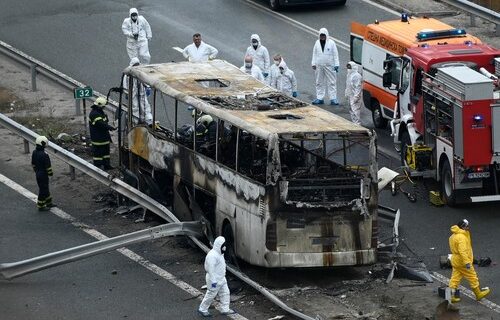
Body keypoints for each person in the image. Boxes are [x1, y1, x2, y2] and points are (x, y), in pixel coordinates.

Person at [448, 219, 490, 303]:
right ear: (462, 227)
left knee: (455, 278)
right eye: (467, 226)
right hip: (462, 261)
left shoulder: (453, 236)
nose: (468, 227)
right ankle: (478, 294)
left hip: (455, 260)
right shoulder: (461, 237)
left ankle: (450, 296)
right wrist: (467, 262)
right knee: (472, 276)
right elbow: (462, 251)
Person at [198, 236, 235, 317]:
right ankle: (202, 308)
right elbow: (210, 270)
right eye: (223, 245)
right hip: (214, 280)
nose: (225, 247)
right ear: (219, 245)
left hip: (221, 278)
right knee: (211, 294)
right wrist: (213, 281)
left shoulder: (220, 254)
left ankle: (225, 309)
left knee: (225, 293)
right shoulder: (212, 255)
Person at [311, 27, 340, 106]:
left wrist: (336, 64)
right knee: (319, 82)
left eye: (323, 35)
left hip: (329, 66)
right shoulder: (317, 43)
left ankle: (333, 98)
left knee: (331, 82)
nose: (322, 37)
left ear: (326, 35)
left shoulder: (331, 43)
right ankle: (320, 98)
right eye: (321, 35)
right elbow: (314, 53)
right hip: (319, 66)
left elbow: (335, 54)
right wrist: (313, 63)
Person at [89, 97, 116, 170]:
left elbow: (105, 121)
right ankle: (98, 167)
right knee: (98, 154)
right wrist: (110, 127)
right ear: (99, 105)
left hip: (104, 137)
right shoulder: (94, 114)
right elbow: (101, 124)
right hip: (98, 138)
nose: (104, 108)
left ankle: (107, 165)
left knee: (106, 153)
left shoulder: (100, 112)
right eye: (103, 106)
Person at [123, 57, 153, 125]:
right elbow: (125, 83)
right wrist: (126, 92)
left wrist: (147, 87)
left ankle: (147, 119)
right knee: (134, 106)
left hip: (141, 91)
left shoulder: (140, 71)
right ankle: (135, 120)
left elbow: (145, 79)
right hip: (132, 92)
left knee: (145, 104)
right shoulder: (128, 73)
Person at [32, 136, 54, 211]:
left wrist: (36, 171)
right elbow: (48, 167)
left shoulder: (34, 152)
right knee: (43, 190)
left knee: (45, 188)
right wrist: (50, 174)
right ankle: (41, 205)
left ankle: (49, 202)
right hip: (43, 174)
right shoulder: (45, 154)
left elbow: (33, 164)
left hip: (38, 173)